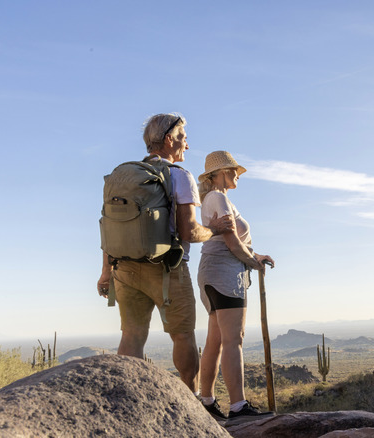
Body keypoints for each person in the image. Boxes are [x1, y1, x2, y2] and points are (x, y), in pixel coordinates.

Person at [96, 113, 233, 396]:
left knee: (132, 336)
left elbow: (111, 227)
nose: (187, 144)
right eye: (183, 138)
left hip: (124, 269)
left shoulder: (123, 176)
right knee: (182, 335)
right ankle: (191, 403)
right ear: (169, 140)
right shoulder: (179, 176)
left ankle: (126, 400)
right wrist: (215, 229)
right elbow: (189, 231)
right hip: (168, 270)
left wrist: (106, 271)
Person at [196, 151, 276, 424]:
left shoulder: (212, 198)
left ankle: (205, 400)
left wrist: (253, 256)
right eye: (231, 170)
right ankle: (239, 406)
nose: (235, 174)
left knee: (215, 340)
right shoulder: (218, 198)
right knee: (234, 339)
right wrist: (253, 261)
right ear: (217, 174)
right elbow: (231, 242)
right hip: (225, 273)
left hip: (211, 271)